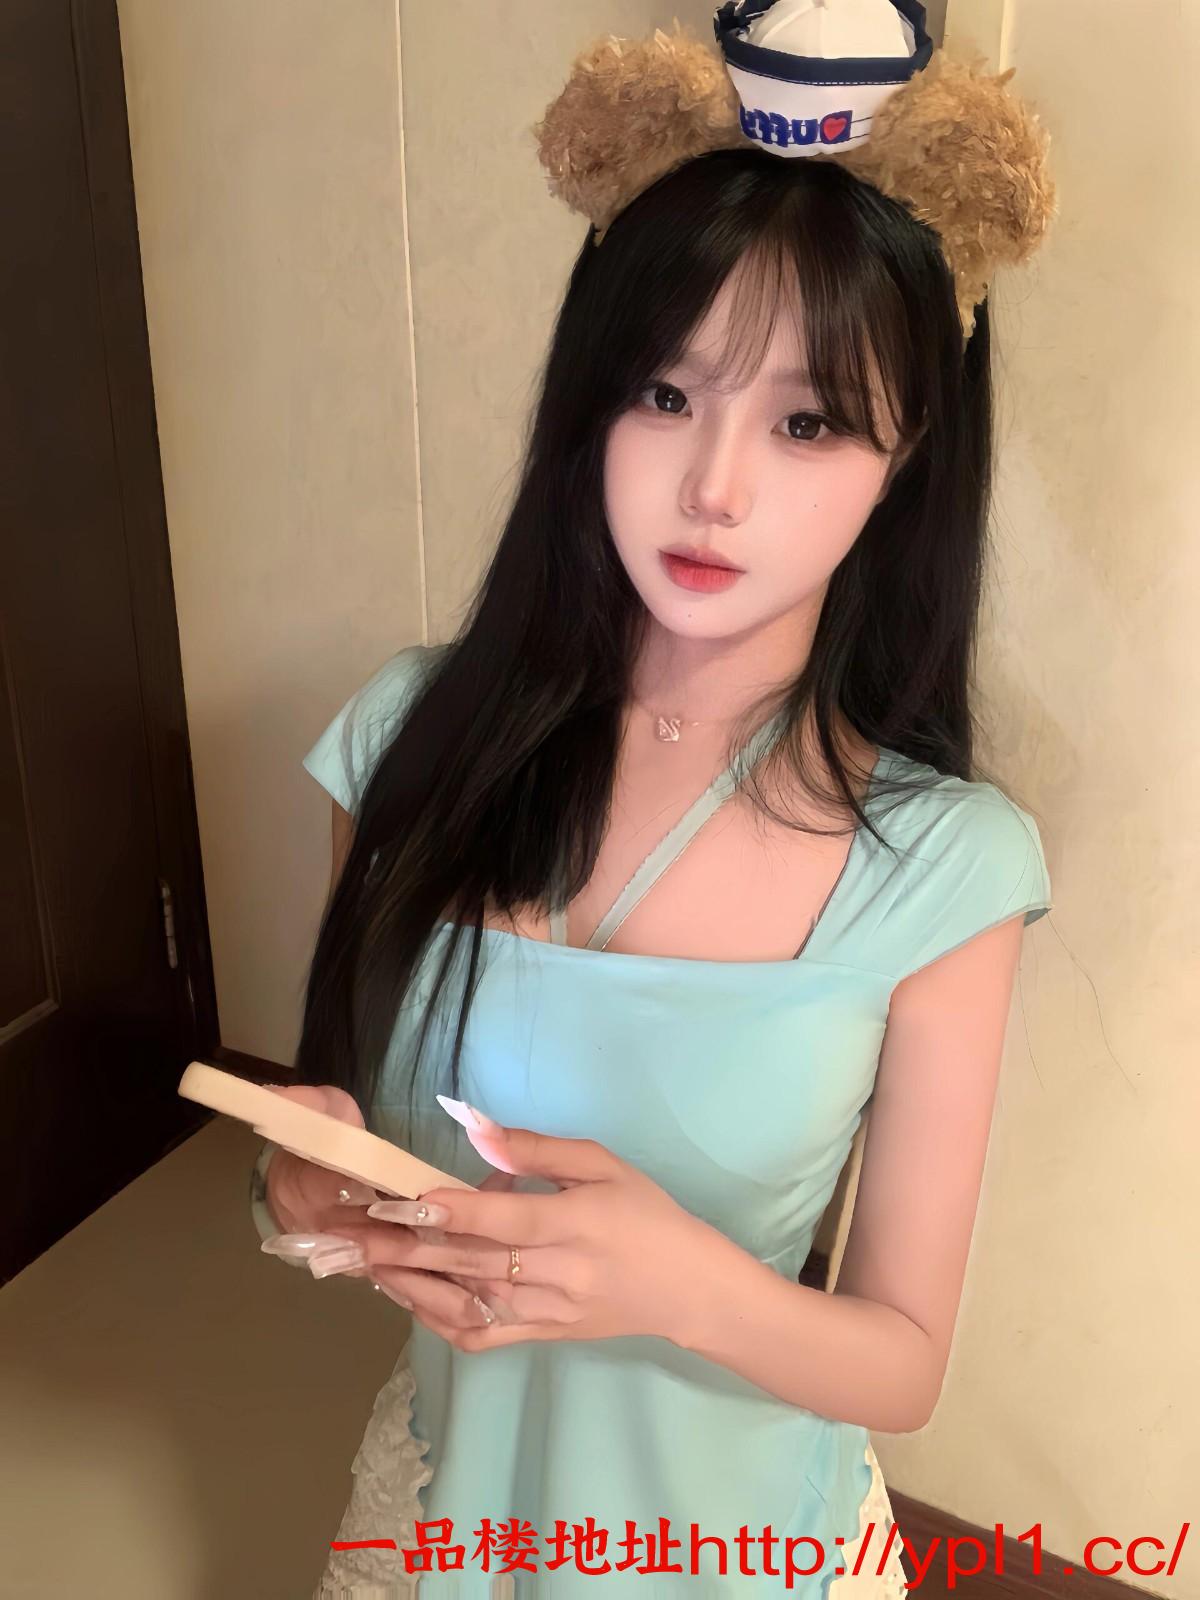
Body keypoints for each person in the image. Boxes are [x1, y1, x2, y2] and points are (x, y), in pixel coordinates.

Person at [249, 4, 1057, 1594]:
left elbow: (900, 1360)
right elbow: (334, 1133)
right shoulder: (411, 738)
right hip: (447, 1522)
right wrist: (301, 1192)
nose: (714, 489)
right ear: (588, 402)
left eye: (808, 420)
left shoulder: (948, 868)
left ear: (908, 455)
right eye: (666, 395)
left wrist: (676, 1280)